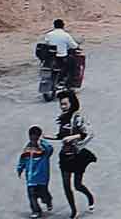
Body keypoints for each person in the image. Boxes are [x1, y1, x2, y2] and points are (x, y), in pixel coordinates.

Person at [44, 90, 96, 219]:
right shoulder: (63, 119)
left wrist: (72, 137)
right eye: (61, 104)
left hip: (77, 155)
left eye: (65, 104)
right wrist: (45, 136)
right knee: (66, 186)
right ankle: (74, 211)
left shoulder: (77, 117)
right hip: (65, 156)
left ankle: (90, 197)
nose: (62, 107)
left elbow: (86, 133)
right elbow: (60, 136)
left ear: (72, 104)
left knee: (77, 185)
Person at [17, 126, 54, 219]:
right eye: (31, 138)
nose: (33, 140)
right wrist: (20, 168)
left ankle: (48, 200)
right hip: (30, 177)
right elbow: (23, 159)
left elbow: (50, 149)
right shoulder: (27, 148)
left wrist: (41, 142)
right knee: (31, 194)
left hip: (42, 177)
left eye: (35, 138)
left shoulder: (44, 149)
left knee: (43, 194)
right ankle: (36, 210)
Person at [44, 19, 79, 86]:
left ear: (54, 26)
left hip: (51, 58)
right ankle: (69, 83)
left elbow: (46, 43)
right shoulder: (66, 35)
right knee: (73, 65)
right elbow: (74, 46)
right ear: (63, 26)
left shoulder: (49, 34)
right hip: (61, 57)